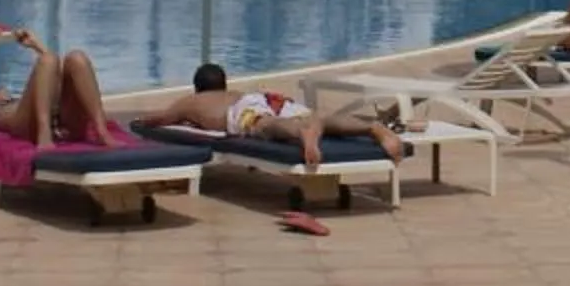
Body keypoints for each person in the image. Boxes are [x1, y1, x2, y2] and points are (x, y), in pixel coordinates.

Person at [134, 63, 408, 170]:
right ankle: (372, 127)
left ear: (198, 86)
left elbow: (160, 120)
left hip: (248, 111)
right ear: (224, 83)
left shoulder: (192, 101)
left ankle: (302, 134)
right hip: (268, 98)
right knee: (316, 117)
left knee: (266, 125)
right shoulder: (236, 92)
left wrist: (141, 122)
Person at [0, 23, 120, 146]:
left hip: (62, 123)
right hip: (27, 128)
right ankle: (44, 132)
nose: (0, 90)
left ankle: (101, 130)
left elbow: (55, 73)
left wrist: (35, 45)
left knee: (76, 58)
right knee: (48, 59)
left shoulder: (25, 102)